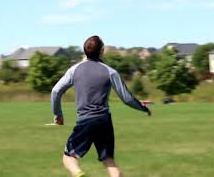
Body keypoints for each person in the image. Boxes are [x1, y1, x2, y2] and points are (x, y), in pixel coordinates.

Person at [51, 35, 151, 177]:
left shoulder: (74, 70)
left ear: (85, 51)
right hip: (104, 121)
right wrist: (143, 107)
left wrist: (58, 114)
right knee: (109, 161)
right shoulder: (111, 72)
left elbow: (56, 91)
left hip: (85, 121)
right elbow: (127, 98)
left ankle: (78, 174)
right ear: (101, 51)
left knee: (69, 158)